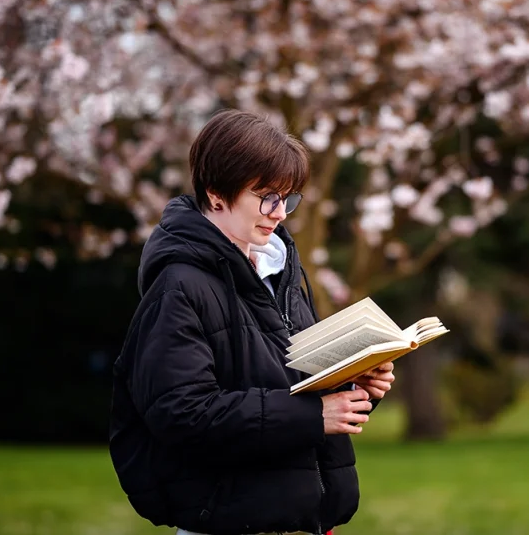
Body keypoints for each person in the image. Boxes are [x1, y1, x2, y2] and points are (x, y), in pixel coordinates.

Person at [109, 109, 396, 535]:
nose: (279, 213)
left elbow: (290, 385)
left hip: (304, 520)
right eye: (266, 196)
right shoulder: (179, 287)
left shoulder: (282, 275)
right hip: (229, 521)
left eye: (288, 198)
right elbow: (182, 414)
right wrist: (314, 415)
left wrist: (356, 389)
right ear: (216, 194)